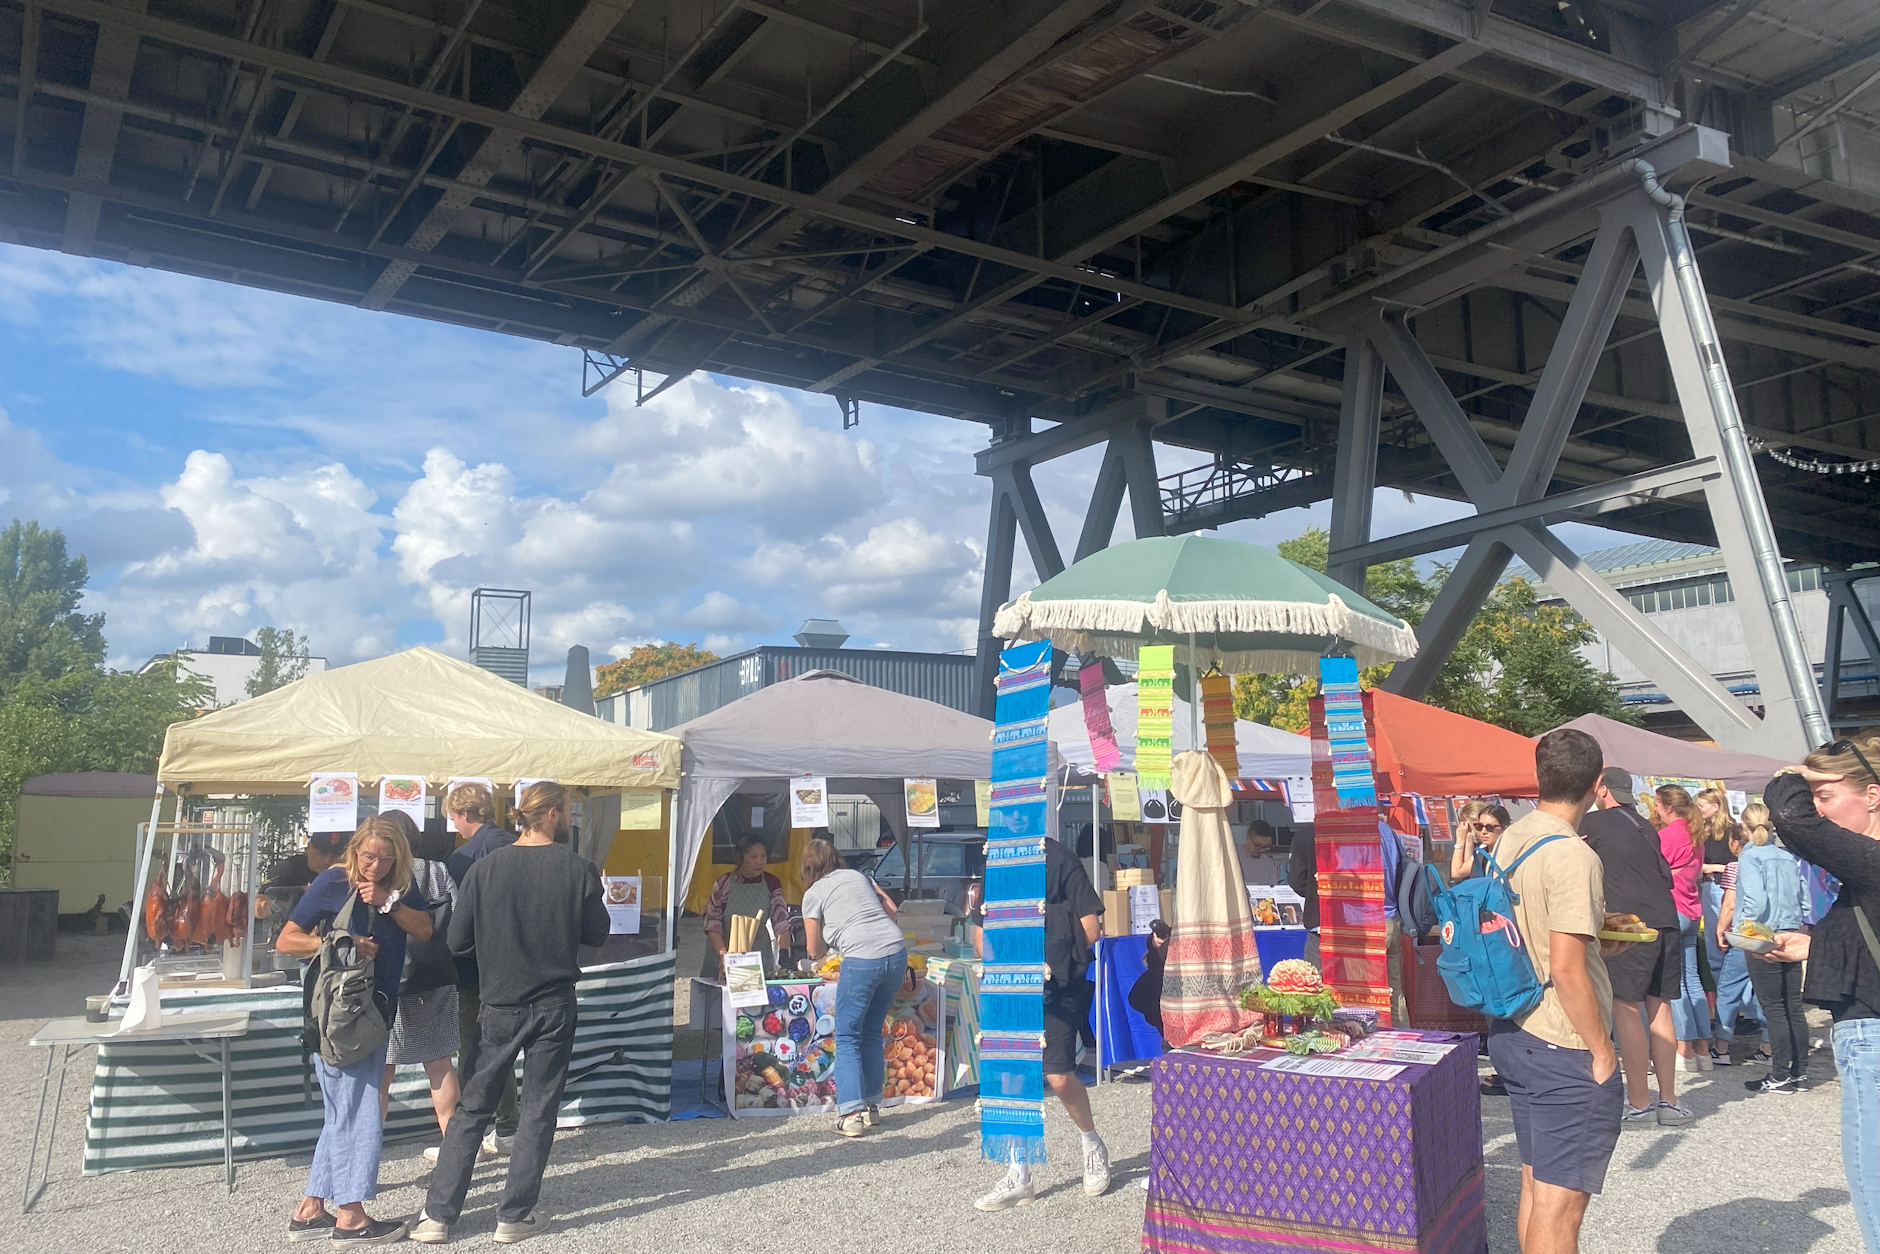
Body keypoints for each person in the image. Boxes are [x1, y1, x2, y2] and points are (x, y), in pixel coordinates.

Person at [413, 781, 608, 1245]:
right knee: (539, 1110)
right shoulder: (579, 868)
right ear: (555, 815)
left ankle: (437, 1216)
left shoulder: (485, 868)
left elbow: (458, 941)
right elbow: (598, 934)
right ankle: (514, 1215)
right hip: (555, 1002)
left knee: (471, 1110)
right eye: (568, 810)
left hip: (497, 1001)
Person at [1489, 729, 1636, 1254]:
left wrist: (1599, 948)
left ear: (1539, 777)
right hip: (1563, 1040)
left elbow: (1528, 932)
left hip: (1516, 1028)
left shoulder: (1511, 837)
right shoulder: (1574, 855)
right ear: (1598, 785)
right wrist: (1603, 1050)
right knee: (1561, 1207)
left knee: (1535, 1186)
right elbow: (1567, 967)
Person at [275, 815, 434, 1246]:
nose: (375, 866)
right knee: (359, 1111)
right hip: (341, 1017)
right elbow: (286, 941)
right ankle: (351, 1216)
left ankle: (311, 1209)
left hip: (376, 1011)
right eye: (368, 856)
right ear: (355, 849)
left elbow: (424, 929)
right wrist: (339, 942)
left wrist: (388, 901)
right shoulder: (332, 882)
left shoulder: (399, 885)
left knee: (344, 1110)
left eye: (385, 858)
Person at [1762, 733, 1880, 1253]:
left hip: (1871, 1033)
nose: (1816, 806)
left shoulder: (1870, 860)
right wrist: (1814, 947)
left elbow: (1789, 819)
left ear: (1872, 795)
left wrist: (1795, 777)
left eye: (1826, 794)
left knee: (1872, 1178)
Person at [976, 833, 1110, 1211]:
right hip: (1010, 985)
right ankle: (1019, 1174)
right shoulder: (997, 862)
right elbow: (979, 928)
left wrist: (1060, 963)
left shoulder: (1061, 858)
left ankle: (1091, 1143)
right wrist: (1002, 963)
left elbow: (1091, 927)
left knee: (1058, 1075)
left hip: (1058, 985)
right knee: (1012, 1077)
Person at [1580, 769, 1691, 1127]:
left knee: (1626, 1009)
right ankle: (1669, 1102)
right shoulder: (1645, 824)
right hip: (1667, 920)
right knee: (1660, 1010)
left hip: (1631, 927)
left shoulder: (1594, 823)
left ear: (1602, 790)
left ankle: (1640, 1103)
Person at [797, 838, 905, 1139]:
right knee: (871, 1031)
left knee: (846, 1035)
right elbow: (893, 910)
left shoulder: (813, 893)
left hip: (860, 959)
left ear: (806, 867)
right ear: (836, 859)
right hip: (896, 952)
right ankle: (871, 1107)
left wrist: (818, 958)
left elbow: (813, 947)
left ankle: (851, 1114)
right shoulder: (861, 877)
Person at [372, 812, 462, 1162]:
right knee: (440, 1063)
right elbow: (456, 913)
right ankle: (455, 1151)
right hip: (434, 977)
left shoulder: (379, 873)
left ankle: (369, 1156)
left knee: (380, 1073)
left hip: (387, 980)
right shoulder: (436, 870)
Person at [442, 781, 519, 1158]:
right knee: (500, 1047)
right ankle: (507, 1126)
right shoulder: (515, 844)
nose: (453, 824)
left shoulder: (464, 857)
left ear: (466, 815)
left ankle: (470, 1130)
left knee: (473, 1047)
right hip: (514, 963)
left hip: (475, 968)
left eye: (454, 817)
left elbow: (460, 921)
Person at [1730, 801, 1809, 1093]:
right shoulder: (1786, 856)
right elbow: (1804, 900)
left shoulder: (1750, 857)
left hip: (1763, 932)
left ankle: (1779, 1074)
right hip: (1790, 930)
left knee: (1773, 1007)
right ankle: (1799, 1072)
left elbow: (1756, 901)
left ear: (1746, 828)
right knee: (1793, 1006)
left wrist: (1744, 929)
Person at [1651, 786, 1713, 1072]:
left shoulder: (1666, 836)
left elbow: (1652, 871)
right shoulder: (1695, 834)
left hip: (1672, 908)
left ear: (1665, 806)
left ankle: (1684, 1049)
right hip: (1692, 907)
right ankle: (1703, 1048)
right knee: (1693, 979)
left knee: (1673, 983)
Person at [1697, 787, 1760, 1059]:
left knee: (1727, 952)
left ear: (1715, 806)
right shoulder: (1704, 830)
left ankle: (1734, 1018)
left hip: (1724, 887)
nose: (1699, 810)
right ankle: (1734, 1011)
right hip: (1711, 887)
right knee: (1717, 954)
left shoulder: (1731, 833)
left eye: (1702, 806)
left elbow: (1736, 866)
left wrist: (1712, 868)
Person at [702, 834, 793, 977]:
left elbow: (781, 921)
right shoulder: (724, 884)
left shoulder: (771, 883)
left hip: (758, 955)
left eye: (763, 856)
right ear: (740, 858)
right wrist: (723, 955)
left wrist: (784, 953)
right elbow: (712, 922)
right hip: (723, 954)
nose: (760, 862)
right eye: (753, 857)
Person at [264, 830, 350, 891]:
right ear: (308, 848)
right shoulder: (287, 869)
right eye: (322, 854)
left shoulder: (346, 875)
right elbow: (259, 904)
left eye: (335, 855)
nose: (327, 861)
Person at [1448, 801, 1511, 882]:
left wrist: (1460, 841)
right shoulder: (1483, 849)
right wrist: (1468, 841)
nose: (1483, 831)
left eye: (1489, 827)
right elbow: (1471, 869)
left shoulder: (1497, 849)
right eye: (1479, 827)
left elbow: (1457, 873)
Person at [1288, 822, 1322, 966]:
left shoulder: (1307, 834)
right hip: (1362, 925)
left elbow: (1298, 882)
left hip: (1320, 922)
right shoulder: (1368, 831)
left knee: (1318, 984)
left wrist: (1312, 890)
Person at [1237, 821, 1283, 887]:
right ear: (1247, 837)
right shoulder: (1233, 855)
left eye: (1266, 846)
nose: (1262, 850)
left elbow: (1272, 890)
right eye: (1257, 845)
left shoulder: (1269, 865)